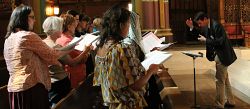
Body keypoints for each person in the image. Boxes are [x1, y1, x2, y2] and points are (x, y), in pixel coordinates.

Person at [93, 5, 165, 109]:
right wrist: (151, 71)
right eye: (128, 24)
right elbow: (136, 85)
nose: (129, 27)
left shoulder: (101, 47)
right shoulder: (121, 49)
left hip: (109, 103)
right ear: (122, 25)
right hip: (126, 105)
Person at [4, 5, 70, 109]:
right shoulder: (27, 36)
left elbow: (30, 59)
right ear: (23, 18)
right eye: (32, 17)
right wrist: (70, 48)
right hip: (31, 87)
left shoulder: (9, 38)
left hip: (14, 88)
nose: (34, 20)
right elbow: (51, 54)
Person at [186, 12, 237, 109]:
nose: (200, 25)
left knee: (219, 80)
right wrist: (192, 27)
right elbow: (200, 34)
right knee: (224, 79)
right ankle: (231, 101)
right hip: (218, 55)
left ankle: (219, 105)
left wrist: (206, 40)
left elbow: (220, 41)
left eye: (200, 23)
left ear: (205, 19)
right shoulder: (206, 26)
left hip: (223, 55)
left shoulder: (217, 25)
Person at [42, 16, 92, 107]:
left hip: (49, 81)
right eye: (60, 27)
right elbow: (73, 63)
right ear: (55, 29)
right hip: (60, 82)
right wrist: (86, 51)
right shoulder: (55, 46)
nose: (62, 29)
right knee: (62, 105)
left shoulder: (42, 43)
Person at [56, 14, 91, 88]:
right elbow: (78, 61)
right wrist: (86, 52)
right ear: (68, 27)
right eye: (74, 25)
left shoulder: (64, 38)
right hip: (74, 74)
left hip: (75, 73)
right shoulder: (67, 41)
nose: (75, 27)